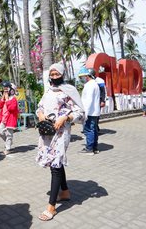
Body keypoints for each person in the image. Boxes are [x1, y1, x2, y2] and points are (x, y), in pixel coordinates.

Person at [36, 63, 84, 221]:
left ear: (63, 74)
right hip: (47, 132)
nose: (54, 77)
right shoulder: (48, 90)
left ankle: (51, 207)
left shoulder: (69, 90)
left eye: (57, 74)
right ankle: (64, 192)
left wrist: (65, 117)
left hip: (62, 132)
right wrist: (41, 114)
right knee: (55, 163)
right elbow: (40, 107)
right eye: (52, 74)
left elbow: (80, 111)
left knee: (56, 164)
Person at [79, 67, 101, 155]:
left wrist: (85, 114)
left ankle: (89, 149)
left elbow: (88, 100)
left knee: (89, 130)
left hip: (90, 112)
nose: (81, 79)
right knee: (94, 129)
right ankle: (94, 148)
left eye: (82, 77)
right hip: (94, 111)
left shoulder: (90, 85)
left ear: (87, 76)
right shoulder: (94, 84)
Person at [0, 81, 19, 155]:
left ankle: (8, 148)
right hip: (3, 119)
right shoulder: (6, 98)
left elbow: (11, 109)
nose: (5, 91)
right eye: (4, 90)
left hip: (10, 120)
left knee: (9, 134)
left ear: (11, 90)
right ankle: (8, 142)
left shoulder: (13, 99)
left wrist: (7, 100)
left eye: (6, 89)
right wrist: (3, 98)